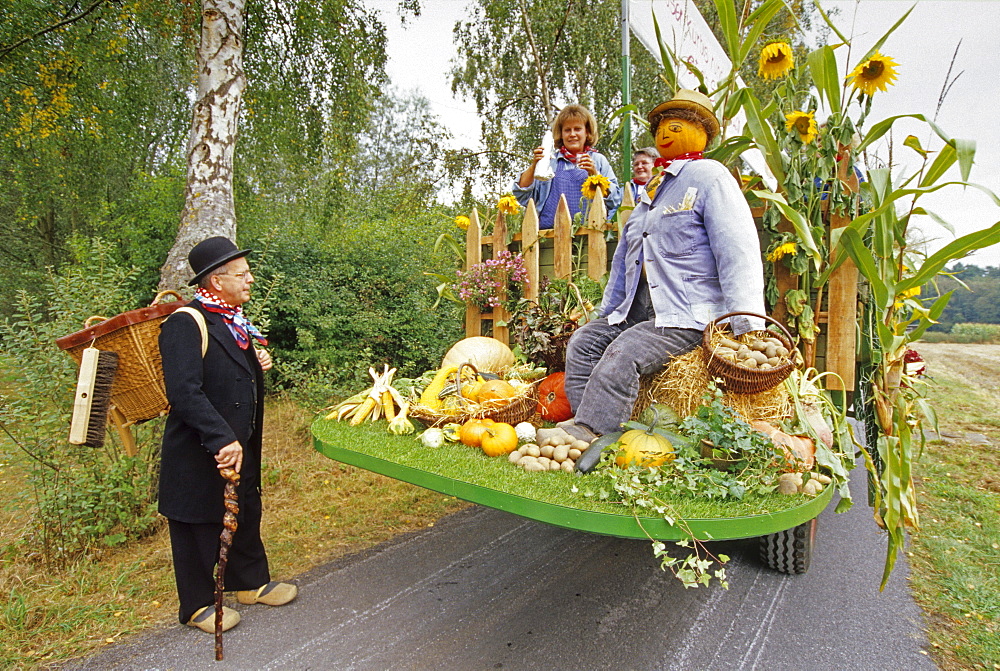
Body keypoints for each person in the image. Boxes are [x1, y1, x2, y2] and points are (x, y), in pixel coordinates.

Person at [559, 90, 766, 442]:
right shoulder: (653, 190)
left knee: (624, 353)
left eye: (676, 126)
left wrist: (746, 324)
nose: (665, 135)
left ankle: (596, 433)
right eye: (660, 129)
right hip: (644, 312)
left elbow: (738, 251)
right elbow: (625, 262)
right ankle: (585, 422)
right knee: (584, 342)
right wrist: (606, 313)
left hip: (690, 315)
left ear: (702, 131)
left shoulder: (709, 177)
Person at [158, 236, 297, 634]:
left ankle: (250, 583)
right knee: (199, 519)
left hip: (241, 439)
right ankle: (198, 604)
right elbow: (184, 392)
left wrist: (255, 360)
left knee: (246, 508)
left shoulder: (233, 320)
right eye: (243, 273)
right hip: (201, 445)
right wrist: (221, 438)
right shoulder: (186, 323)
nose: (251, 279)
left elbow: (228, 368)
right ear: (217, 282)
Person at [513, 104, 622, 229]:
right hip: (549, 235)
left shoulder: (598, 160)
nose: (572, 134)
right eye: (567, 130)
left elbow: (615, 200)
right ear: (561, 133)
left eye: (577, 129)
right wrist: (535, 165)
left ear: (587, 132)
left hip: (589, 234)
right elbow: (521, 194)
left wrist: (595, 175)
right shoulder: (550, 161)